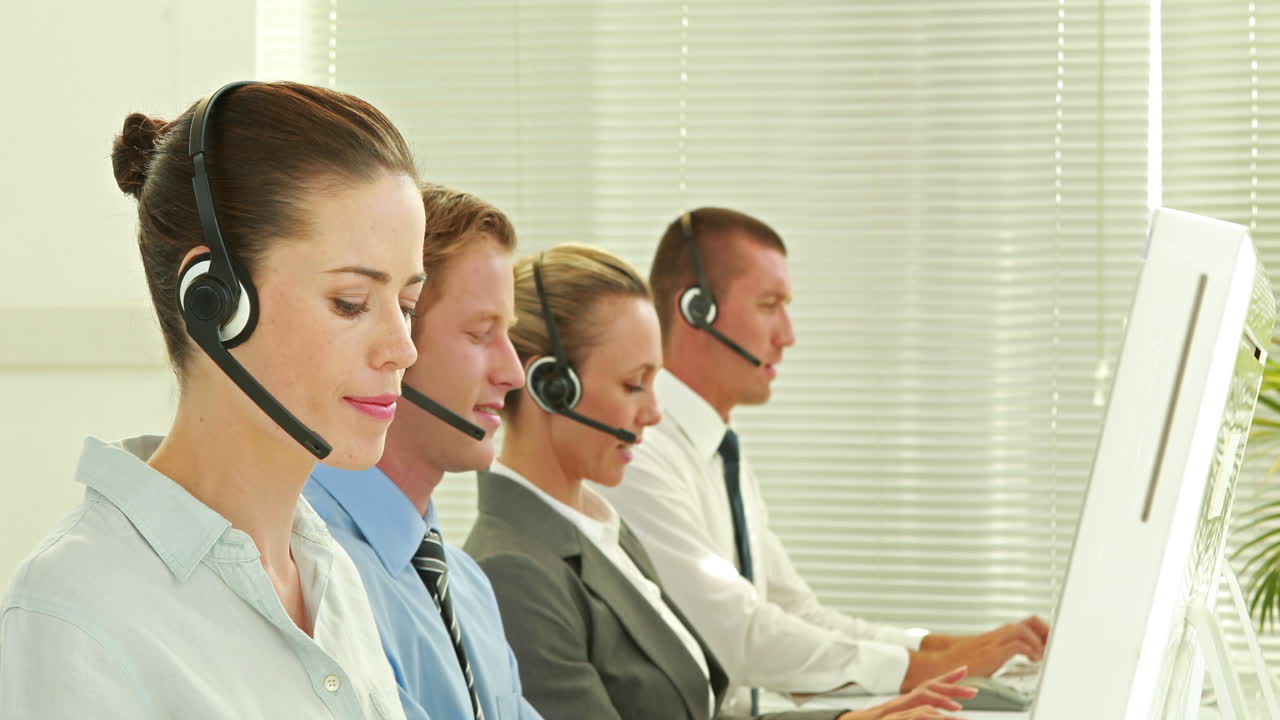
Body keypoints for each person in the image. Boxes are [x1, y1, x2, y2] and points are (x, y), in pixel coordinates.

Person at [0, 81, 426, 719]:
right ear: (214, 301)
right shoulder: (75, 609)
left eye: (408, 304)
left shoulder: (329, 573)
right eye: (351, 303)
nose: (403, 349)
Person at [464, 244, 975, 720]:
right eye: (633, 384)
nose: (654, 413)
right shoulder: (515, 572)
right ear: (550, 387)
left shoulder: (602, 530)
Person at [597, 207, 1051, 714]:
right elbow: (740, 636)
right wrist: (924, 668)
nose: (787, 335)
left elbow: (798, 613)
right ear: (696, 309)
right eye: (769, 305)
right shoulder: (638, 454)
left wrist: (943, 648)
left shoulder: (717, 454)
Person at [304, 183, 543, 719]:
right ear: (396, 336)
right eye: (480, 334)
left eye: (508, 334)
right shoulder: (305, 565)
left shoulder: (468, 585)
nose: (514, 373)